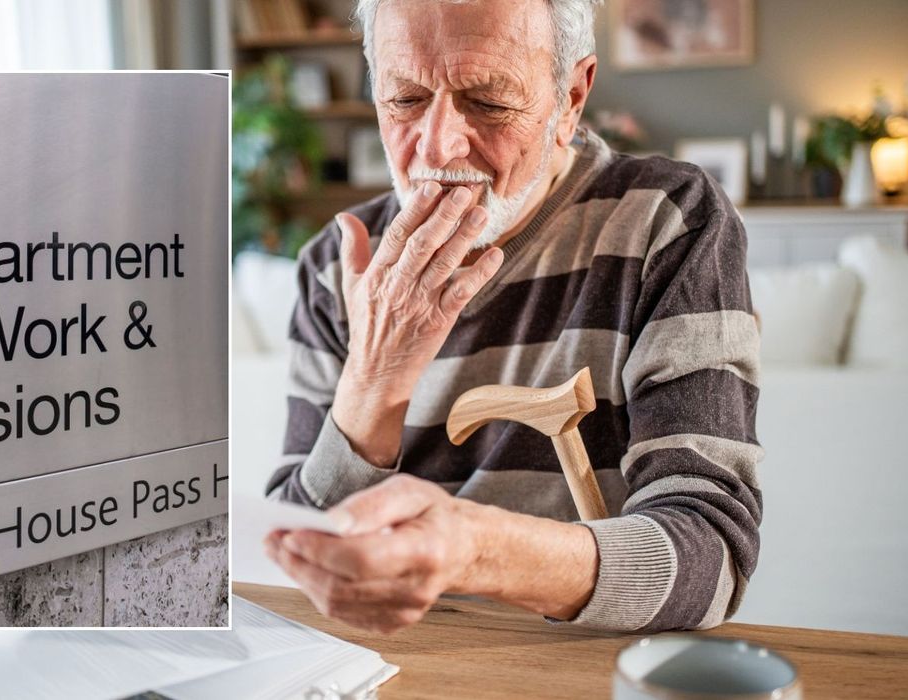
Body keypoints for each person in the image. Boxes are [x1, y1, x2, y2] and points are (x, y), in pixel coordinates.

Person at [264, 0, 762, 635]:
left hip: (580, 664)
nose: (438, 145)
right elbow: (287, 562)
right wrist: (373, 382)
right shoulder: (336, 268)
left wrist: (475, 551)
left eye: (490, 102)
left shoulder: (667, 220)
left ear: (572, 99)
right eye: (405, 99)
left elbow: (711, 553)